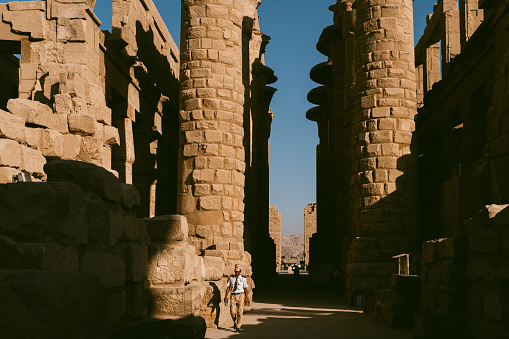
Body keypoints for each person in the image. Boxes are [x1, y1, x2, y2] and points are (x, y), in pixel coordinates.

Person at [224, 264, 248, 332]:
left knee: (240, 312)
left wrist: (246, 297)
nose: (236, 273)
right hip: (233, 295)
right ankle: (235, 321)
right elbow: (228, 287)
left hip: (240, 295)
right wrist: (226, 296)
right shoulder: (231, 278)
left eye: (238, 272)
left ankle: (238, 326)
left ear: (240, 271)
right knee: (232, 311)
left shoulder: (243, 278)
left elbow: (245, 288)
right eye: (235, 272)